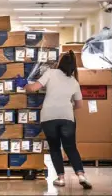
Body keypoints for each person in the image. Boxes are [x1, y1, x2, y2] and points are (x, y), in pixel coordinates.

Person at [15, 50, 92, 189]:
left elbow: (33, 88)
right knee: (71, 148)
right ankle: (81, 175)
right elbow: (79, 105)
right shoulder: (74, 81)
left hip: (48, 116)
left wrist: (23, 84)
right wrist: (66, 106)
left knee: (55, 148)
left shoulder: (50, 73)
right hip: (67, 117)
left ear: (60, 63)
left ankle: (61, 179)